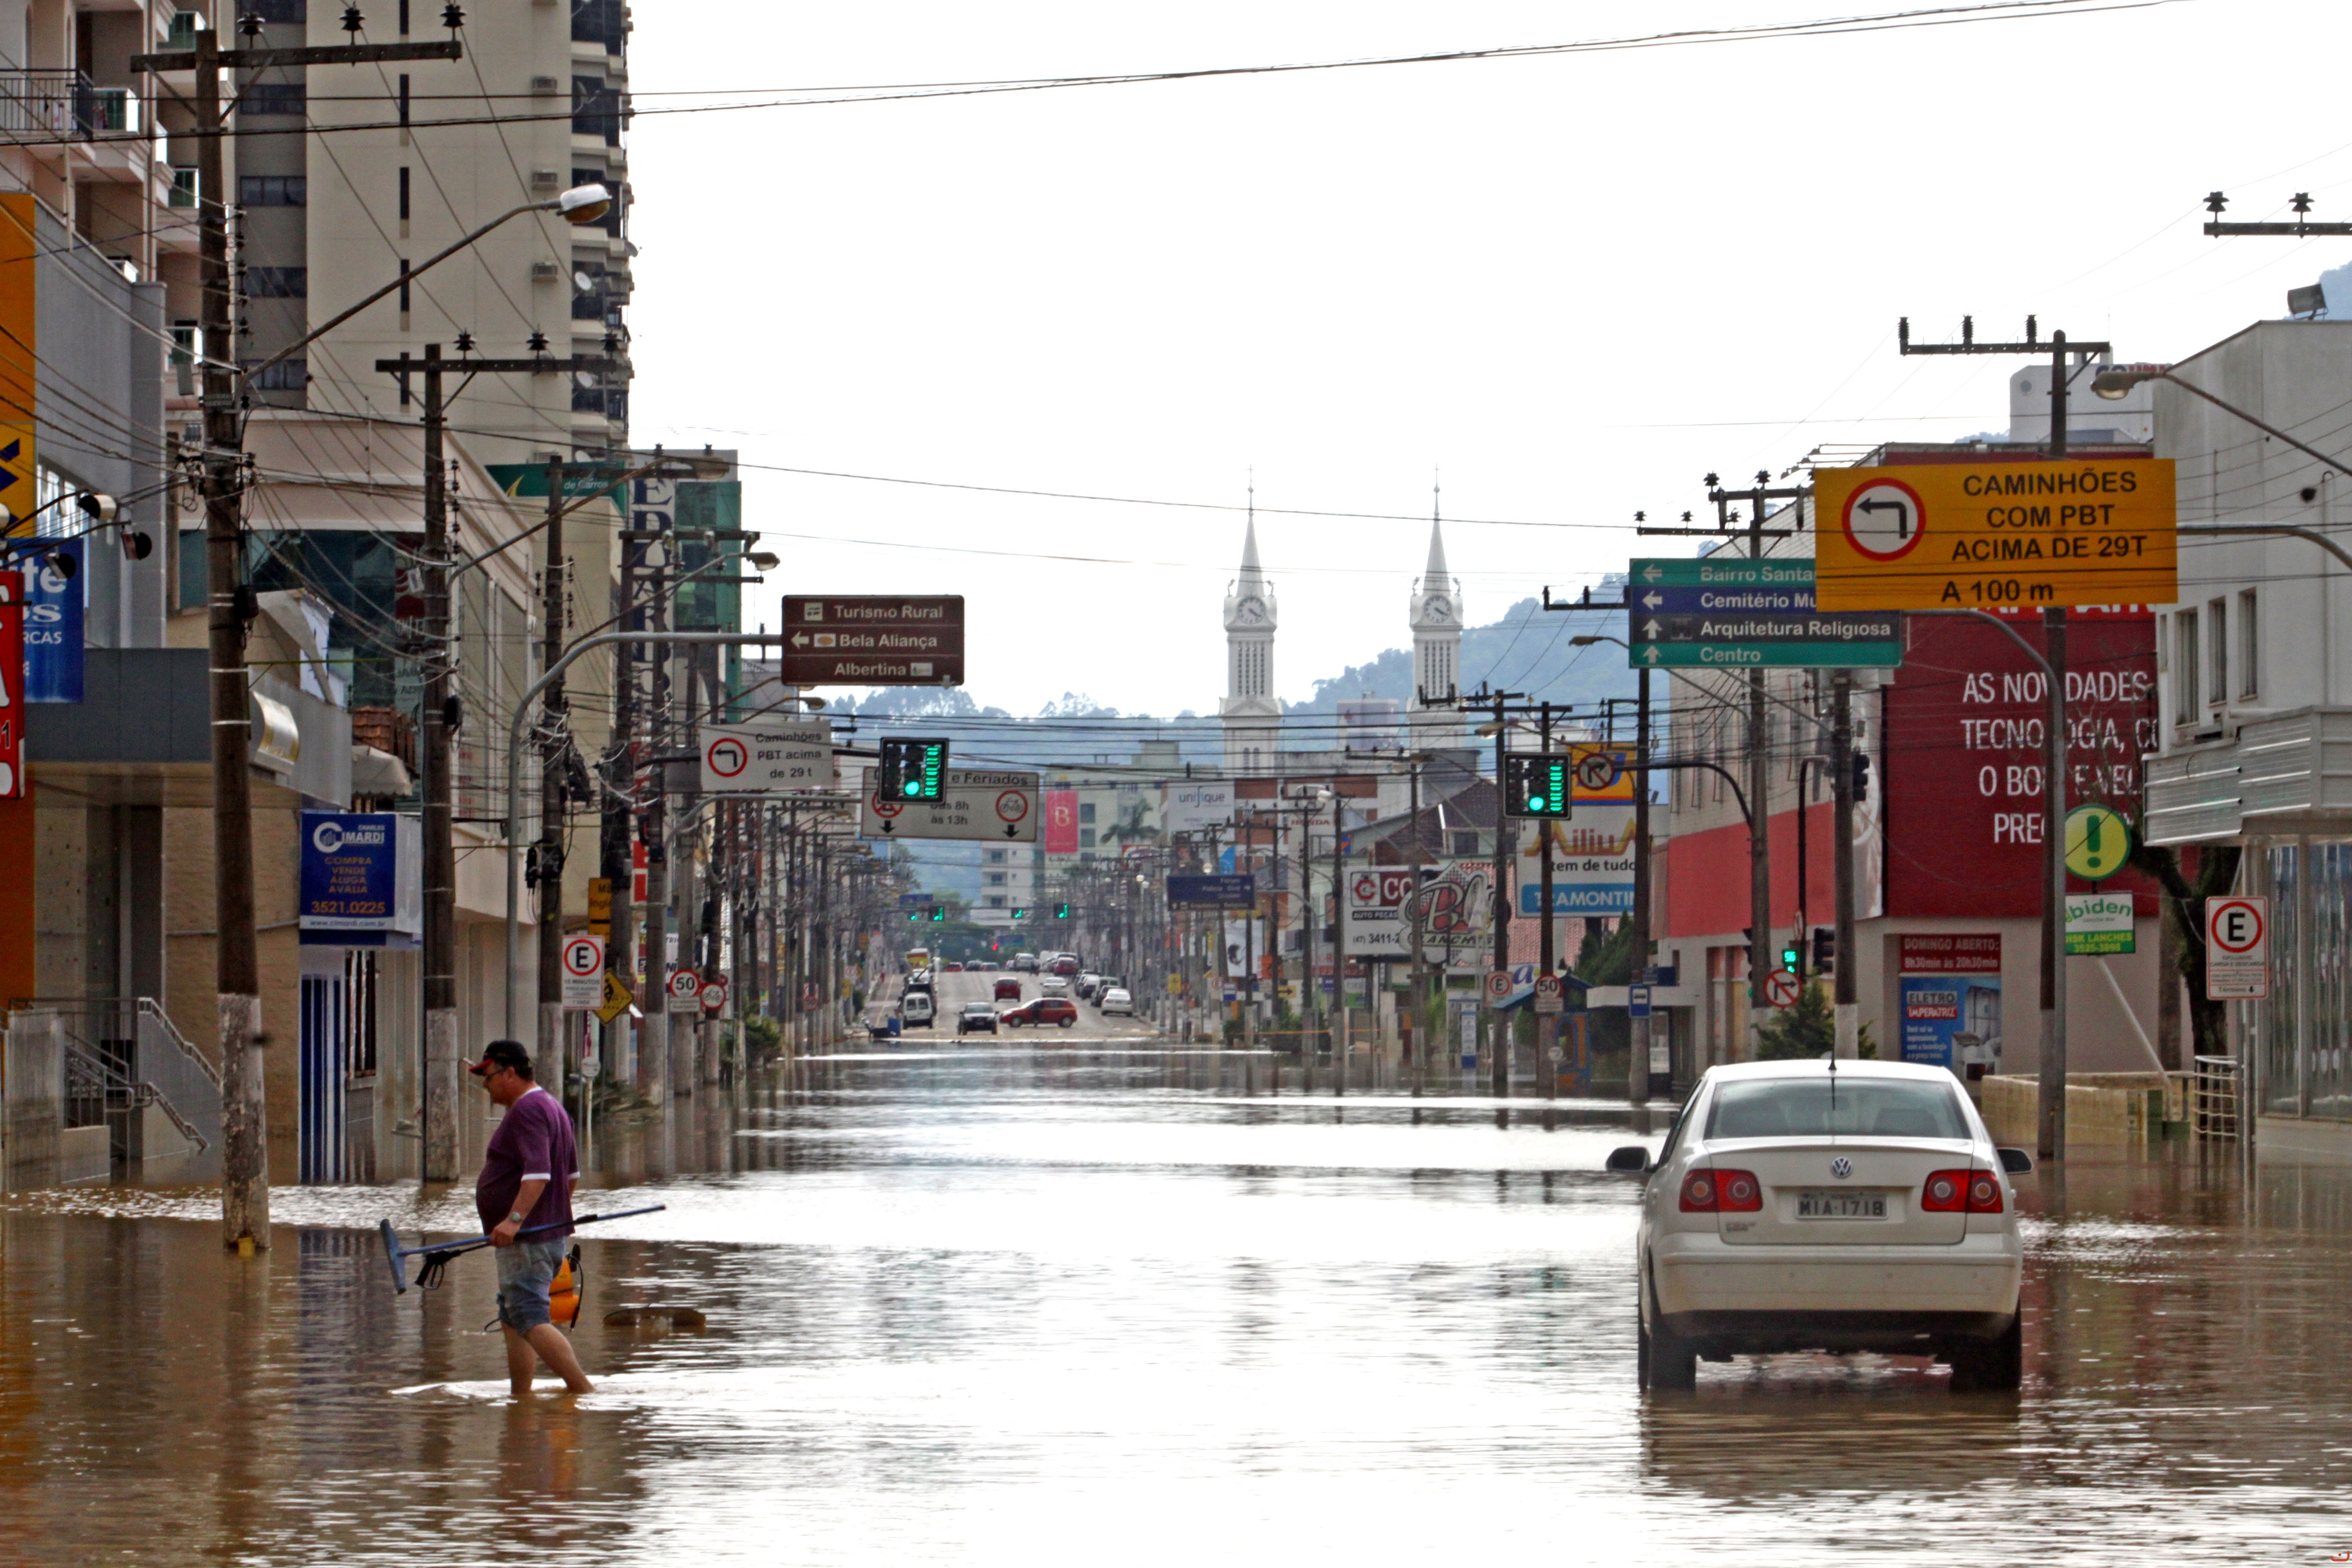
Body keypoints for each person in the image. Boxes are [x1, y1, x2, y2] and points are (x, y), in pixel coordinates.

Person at [470, 1039, 593, 1396]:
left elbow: (538, 1173)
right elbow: (571, 1178)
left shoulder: (527, 1110)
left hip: (528, 1240)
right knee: (513, 1317)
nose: (485, 1085)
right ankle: (521, 1397)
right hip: (544, 1235)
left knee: (528, 1316)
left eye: (489, 1075)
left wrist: (514, 1221)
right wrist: (548, 1216)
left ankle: (583, 1391)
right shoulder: (553, 1107)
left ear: (510, 1073)